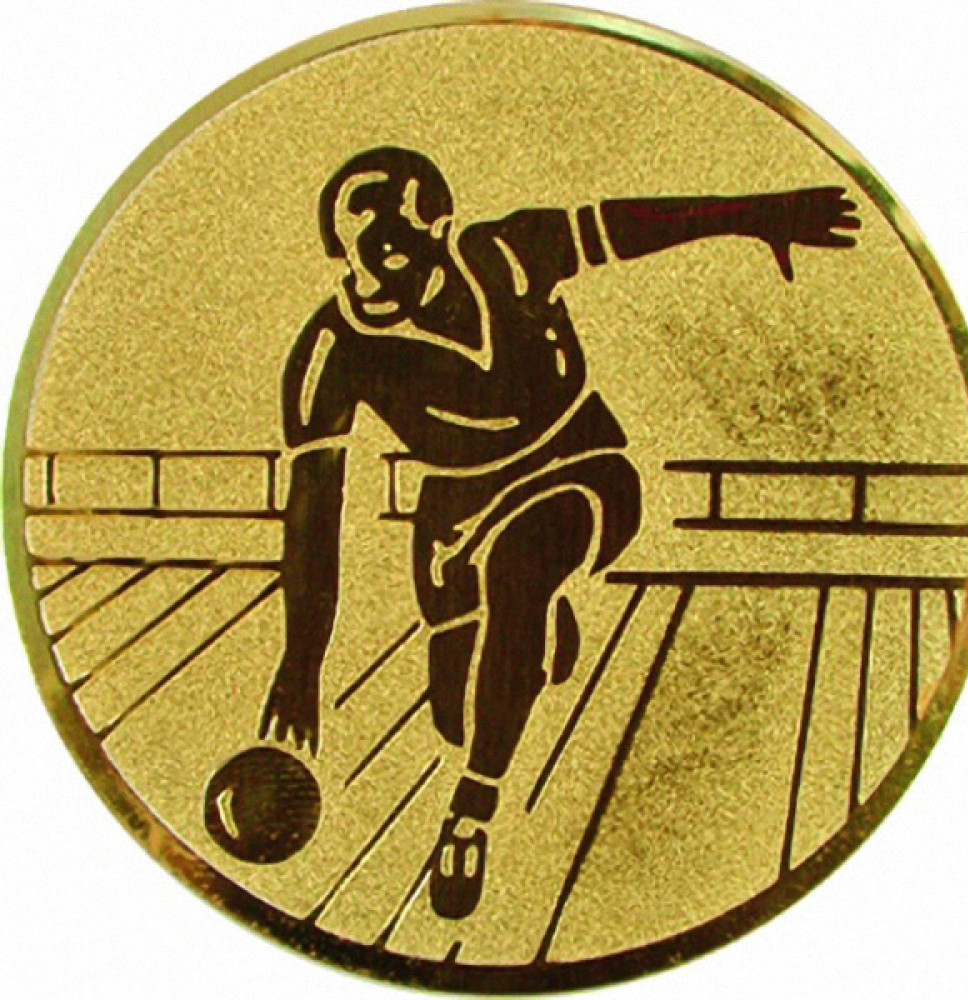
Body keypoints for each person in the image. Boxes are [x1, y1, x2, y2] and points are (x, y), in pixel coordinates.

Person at [259, 146, 860, 918]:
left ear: (438, 228)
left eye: (389, 253)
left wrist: (758, 215)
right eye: (351, 257)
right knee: (457, 714)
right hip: (457, 511)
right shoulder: (329, 351)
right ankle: (540, 631)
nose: (369, 278)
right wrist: (301, 660)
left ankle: (470, 814)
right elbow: (313, 516)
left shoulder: (507, 255)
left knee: (522, 571)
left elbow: (632, 227)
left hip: (579, 461)